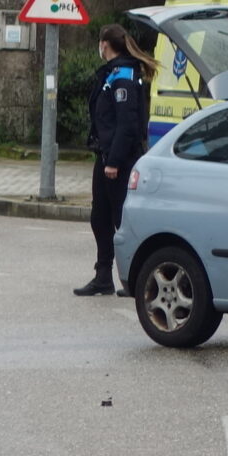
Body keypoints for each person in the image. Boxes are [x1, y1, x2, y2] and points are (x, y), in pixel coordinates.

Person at [75, 23, 155, 298]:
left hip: (118, 160)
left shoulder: (122, 76)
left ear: (105, 45)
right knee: (101, 218)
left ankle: (132, 277)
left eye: (99, 44)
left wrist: (115, 161)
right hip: (107, 155)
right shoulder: (115, 73)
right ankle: (103, 276)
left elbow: (127, 124)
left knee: (121, 219)